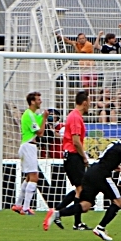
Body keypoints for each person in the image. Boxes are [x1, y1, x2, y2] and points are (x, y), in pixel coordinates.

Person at [73, 128, 121, 241]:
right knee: (119, 202)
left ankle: (57, 213)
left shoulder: (116, 142)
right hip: (102, 175)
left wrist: (113, 165)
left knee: (85, 205)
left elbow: (105, 156)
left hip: (93, 171)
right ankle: (100, 228)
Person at [46, 90, 91, 231]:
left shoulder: (73, 115)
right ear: (84, 103)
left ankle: (71, 220)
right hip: (73, 155)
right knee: (81, 189)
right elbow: (76, 141)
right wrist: (84, 157)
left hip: (70, 156)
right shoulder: (76, 117)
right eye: (89, 102)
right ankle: (60, 213)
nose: (90, 105)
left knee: (79, 189)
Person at [12, 92, 44, 215]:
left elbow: (40, 127)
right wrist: (45, 118)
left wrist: (44, 117)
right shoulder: (29, 114)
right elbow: (40, 133)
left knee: (29, 177)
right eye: (38, 99)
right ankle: (26, 208)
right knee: (34, 177)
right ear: (32, 102)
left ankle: (18, 205)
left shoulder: (34, 115)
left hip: (28, 147)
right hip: (28, 146)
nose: (40, 101)